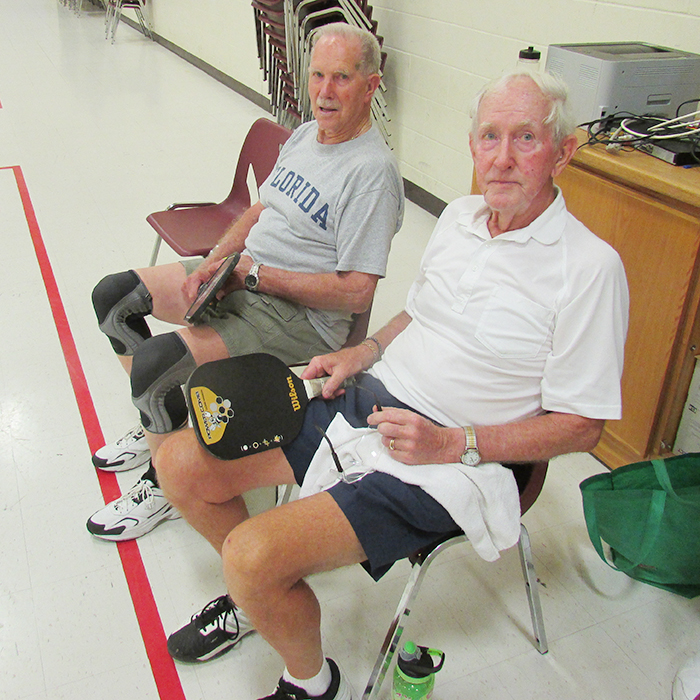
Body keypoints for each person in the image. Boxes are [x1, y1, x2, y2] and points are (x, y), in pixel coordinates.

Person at [155, 70, 629, 700]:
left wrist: (454, 442)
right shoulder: (460, 218)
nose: (503, 157)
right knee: (180, 464)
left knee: (250, 556)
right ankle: (258, 601)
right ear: (471, 147)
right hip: (374, 397)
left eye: (527, 138)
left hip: (462, 459)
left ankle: (310, 681)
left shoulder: (590, 268)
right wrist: (362, 351)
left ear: (563, 152)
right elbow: (420, 313)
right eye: (490, 137)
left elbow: (582, 425)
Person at [85, 22, 404, 542]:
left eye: (341, 78)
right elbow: (261, 207)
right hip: (243, 277)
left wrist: (253, 275)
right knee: (113, 300)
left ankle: (162, 480)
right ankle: (157, 423)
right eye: (317, 75)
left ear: (370, 86)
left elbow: (356, 292)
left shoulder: (372, 174)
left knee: (156, 367)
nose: (324, 92)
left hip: (298, 320)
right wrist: (216, 261)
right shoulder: (305, 134)